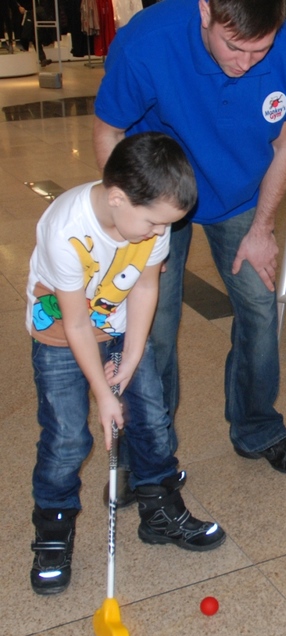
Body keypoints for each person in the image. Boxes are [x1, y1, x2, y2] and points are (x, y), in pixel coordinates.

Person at [92, 0, 286, 499]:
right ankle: (146, 452)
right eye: (234, 47)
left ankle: (257, 426)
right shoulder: (148, 42)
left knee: (259, 306)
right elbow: (108, 129)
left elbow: (285, 145)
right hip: (157, 194)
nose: (246, 63)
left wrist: (263, 228)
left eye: (259, 51)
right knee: (153, 327)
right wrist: (127, 222)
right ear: (205, 12)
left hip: (239, 192)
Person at [26, 132, 226, 596]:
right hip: (61, 332)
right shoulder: (65, 229)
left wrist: (132, 356)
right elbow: (77, 324)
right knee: (67, 436)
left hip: (118, 325)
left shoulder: (152, 220)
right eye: (153, 223)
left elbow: (145, 287)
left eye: (166, 225)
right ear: (117, 197)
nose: (158, 233)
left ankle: (159, 511)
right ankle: (53, 528)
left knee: (152, 416)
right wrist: (103, 395)